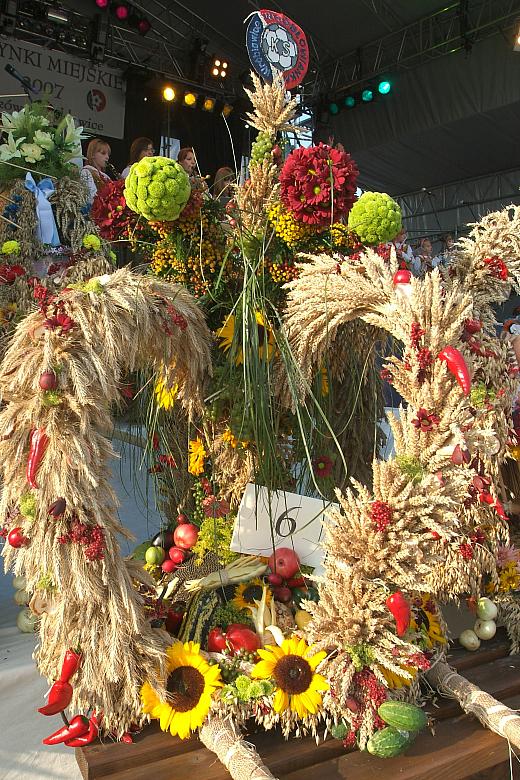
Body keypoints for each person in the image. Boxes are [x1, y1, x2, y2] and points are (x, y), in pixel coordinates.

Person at [80, 138, 111, 204]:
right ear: (92, 154)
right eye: (103, 153)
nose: (107, 157)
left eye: (108, 154)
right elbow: (91, 198)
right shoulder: (86, 172)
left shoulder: (107, 177)